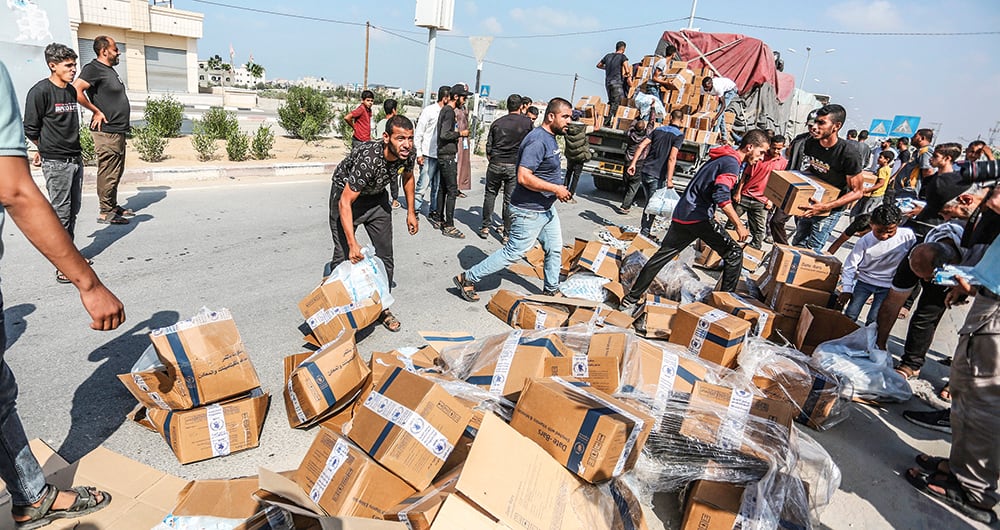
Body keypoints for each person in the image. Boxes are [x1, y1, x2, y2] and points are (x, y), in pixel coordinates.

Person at [0, 58, 125, 530]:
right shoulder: (23, 85)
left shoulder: (74, 93)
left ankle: (30, 493)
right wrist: (88, 283)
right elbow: (14, 190)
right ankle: (32, 497)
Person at [904, 192, 1000, 525]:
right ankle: (960, 467)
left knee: (982, 401)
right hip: (989, 294)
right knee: (964, 389)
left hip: (996, 310)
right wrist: (973, 282)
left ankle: (974, 490)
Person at [620, 130, 771, 310]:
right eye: (761, 152)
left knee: (661, 257)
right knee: (734, 254)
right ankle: (722, 309)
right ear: (750, 147)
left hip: (684, 213)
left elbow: (705, 189)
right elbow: (721, 195)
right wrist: (738, 224)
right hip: (698, 217)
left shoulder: (722, 157)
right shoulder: (731, 163)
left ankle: (630, 298)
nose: (761, 158)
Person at [453, 98, 574, 301]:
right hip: (528, 210)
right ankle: (468, 278)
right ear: (551, 116)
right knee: (514, 252)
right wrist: (555, 188)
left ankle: (551, 289)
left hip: (545, 209)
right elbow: (523, 177)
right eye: (565, 117)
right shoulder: (538, 140)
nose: (569, 121)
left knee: (554, 248)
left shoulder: (550, 137)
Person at [328, 115, 419, 333]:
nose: (406, 144)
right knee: (343, 256)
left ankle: (383, 308)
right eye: (400, 138)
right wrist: (352, 243)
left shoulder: (408, 153)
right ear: (386, 137)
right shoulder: (368, 159)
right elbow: (345, 202)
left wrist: (411, 212)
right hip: (347, 196)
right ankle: (336, 308)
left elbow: (407, 177)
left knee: (385, 255)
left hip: (377, 198)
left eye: (410, 138)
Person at [23, 43, 86, 284]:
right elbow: (30, 127)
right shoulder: (40, 92)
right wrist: (44, 148)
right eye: (68, 66)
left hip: (75, 159)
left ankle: (71, 257)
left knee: (73, 210)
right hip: (56, 162)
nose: (73, 70)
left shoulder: (70, 91)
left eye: (74, 65)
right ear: (53, 66)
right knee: (61, 214)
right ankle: (63, 266)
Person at [73, 35, 133, 225]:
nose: (118, 52)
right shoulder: (93, 68)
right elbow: (76, 90)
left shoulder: (109, 70)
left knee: (116, 170)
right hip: (106, 130)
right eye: (115, 49)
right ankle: (105, 211)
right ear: (104, 51)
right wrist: (96, 111)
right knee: (108, 170)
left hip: (117, 129)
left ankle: (112, 205)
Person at [791, 104, 865, 252]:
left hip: (830, 209)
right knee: (798, 243)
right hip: (811, 202)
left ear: (836, 126)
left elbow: (858, 191)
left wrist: (825, 207)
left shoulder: (848, 153)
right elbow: (811, 170)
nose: (814, 126)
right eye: (815, 121)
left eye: (821, 123)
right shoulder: (811, 143)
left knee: (813, 249)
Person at [837, 204, 916, 324]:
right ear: (871, 224)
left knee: (874, 319)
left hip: (888, 286)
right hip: (864, 282)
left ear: (898, 224)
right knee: (851, 313)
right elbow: (850, 265)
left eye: (890, 231)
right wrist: (847, 288)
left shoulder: (907, 236)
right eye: (879, 231)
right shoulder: (865, 241)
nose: (884, 236)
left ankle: (868, 340)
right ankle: (844, 337)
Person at [623, 110, 684, 236]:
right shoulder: (678, 135)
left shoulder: (658, 130)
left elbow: (641, 146)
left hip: (645, 171)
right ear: (682, 121)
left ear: (670, 118)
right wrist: (670, 179)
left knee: (650, 203)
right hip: (657, 175)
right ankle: (644, 233)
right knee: (652, 205)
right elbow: (672, 158)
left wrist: (633, 163)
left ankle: (645, 230)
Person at [480, 94, 532, 240]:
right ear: (521, 106)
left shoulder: (497, 123)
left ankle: (485, 227)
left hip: (496, 163)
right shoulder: (527, 123)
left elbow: (489, 147)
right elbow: (530, 145)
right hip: (513, 166)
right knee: (509, 199)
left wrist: (493, 159)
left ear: (507, 105)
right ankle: (507, 233)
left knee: (490, 194)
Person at [733, 134, 787, 249]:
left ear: (783, 147)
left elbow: (779, 184)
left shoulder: (782, 163)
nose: (776, 151)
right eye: (774, 147)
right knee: (732, 224)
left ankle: (752, 254)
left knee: (759, 232)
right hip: (745, 196)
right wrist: (738, 192)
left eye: (779, 148)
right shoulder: (759, 156)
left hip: (762, 201)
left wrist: (771, 200)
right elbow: (745, 175)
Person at [432, 84, 472, 238]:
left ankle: (438, 218)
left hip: (444, 154)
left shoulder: (446, 110)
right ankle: (449, 225)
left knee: (443, 188)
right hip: (447, 156)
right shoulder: (449, 112)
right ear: (456, 97)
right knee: (452, 190)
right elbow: (444, 134)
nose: (465, 100)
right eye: (464, 97)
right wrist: (460, 133)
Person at [414, 85, 449, 216]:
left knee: (437, 187)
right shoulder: (429, 111)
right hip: (428, 155)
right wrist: (419, 153)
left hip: (441, 155)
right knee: (423, 185)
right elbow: (419, 133)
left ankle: (434, 211)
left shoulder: (448, 113)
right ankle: (415, 210)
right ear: (445, 98)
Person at [615, 119, 654, 215]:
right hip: (639, 163)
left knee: (626, 182)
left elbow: (631, 126)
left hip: (628, 161)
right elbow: (651, 124)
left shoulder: (630, 134)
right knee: (634, 186)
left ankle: (625, 201)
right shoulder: (647, 136)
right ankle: (625, 206)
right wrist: (652, 109)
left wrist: (637, 117)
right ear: (644, 128)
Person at [890, 128, 935, 200]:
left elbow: (928, 171)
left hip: (909, 192)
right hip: (903, 190)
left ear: (922, 138)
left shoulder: (925, 151)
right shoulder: (918, 151)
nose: (912, 138)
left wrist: (923, 192)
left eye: (915, 136)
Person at [374, 99, 401, 209]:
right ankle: (394, 200)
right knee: (393, 179)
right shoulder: (395, 124)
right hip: (392, 156)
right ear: (394, 110)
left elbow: (376, 139)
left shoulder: (380, 123)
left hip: (380, 155)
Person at [851, 150, 894, 218]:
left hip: (875, 195)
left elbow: (881, 183)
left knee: (864, 214)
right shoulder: (886, 168)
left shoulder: (883, 170)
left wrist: (867, 189)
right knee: (858, 212)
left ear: (887, 160)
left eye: (880, 157)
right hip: (874, 194)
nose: (878, 159)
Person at [596, 41, 630, 126]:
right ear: (623, 49)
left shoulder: (608, 56)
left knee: (611, 101)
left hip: (608, 83)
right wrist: (628, 75)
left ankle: (605, 119)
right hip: (617, 83)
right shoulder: (622, 57)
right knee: (618, 103)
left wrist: (607, 68)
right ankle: (608, 122)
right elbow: (627, 69)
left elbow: (599, 65)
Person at [562, 110, 591, 204]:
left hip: (570, 155)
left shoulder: (567, 127)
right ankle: (570, 196)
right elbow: (597, 127)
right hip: (580, 156)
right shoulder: (584, 128)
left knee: (568, 172)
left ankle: (563, 190)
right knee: (576, 176)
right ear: (579, 117)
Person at [701, 76, 738, 143]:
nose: (706, 89)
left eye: (707, 87)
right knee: (721, 113)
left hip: (731, 90)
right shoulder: (703, 88)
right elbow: (700, 103)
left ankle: (713, 136)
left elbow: (723, 106)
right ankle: (724, 137)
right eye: (704, 87)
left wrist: (715, 119)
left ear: (711, 84)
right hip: (724, 91)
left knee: (719, 111)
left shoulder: (717, 87)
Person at [455, 85, 472, 197]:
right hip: (457, 138)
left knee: (463, 163)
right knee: (457, 163)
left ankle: (459, 186)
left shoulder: (464, 108)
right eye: (463, 97)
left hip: (464, 139)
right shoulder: (452, 110)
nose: (465, 100)